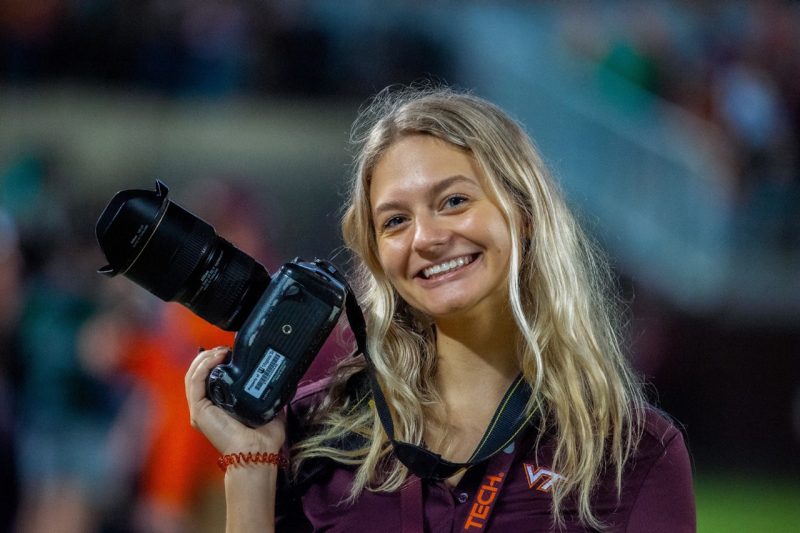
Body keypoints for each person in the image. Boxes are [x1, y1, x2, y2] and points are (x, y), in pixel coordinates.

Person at [185, 86, 695, 532]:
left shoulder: (632, 452)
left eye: (453, 201)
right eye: (395, 221)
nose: (426, 238)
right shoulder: (312, 432)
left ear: (522, 212)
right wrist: (249, 463)